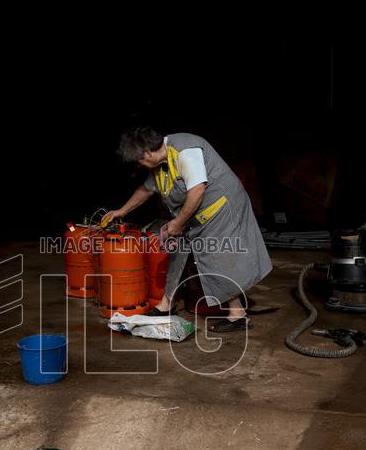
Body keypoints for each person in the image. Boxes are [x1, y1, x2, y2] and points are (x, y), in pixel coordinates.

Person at [102, 128, 272, 332]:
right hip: (194, 212)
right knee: (177, 251)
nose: (139, 165)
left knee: (218, 256)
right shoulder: (160, 164)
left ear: (148, 152)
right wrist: (121, 211)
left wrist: (178, 223)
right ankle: (166, 305)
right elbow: (146, 189)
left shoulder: (185, 151)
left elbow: (198, 190)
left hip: (222, 207)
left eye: (139, 160)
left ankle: (238, 316)